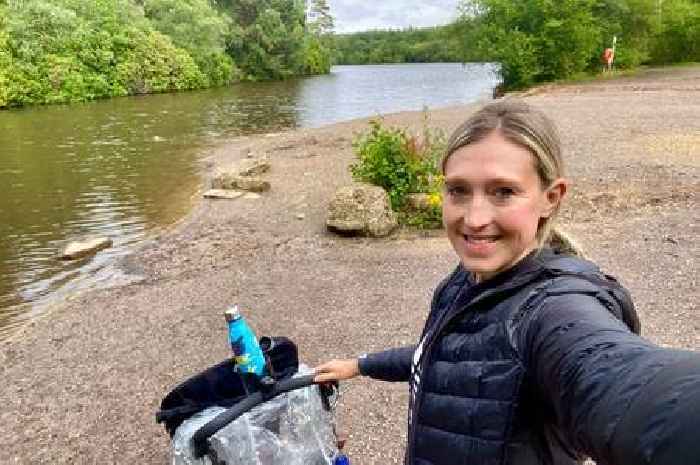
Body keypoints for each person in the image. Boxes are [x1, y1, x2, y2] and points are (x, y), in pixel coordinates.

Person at [314, 100, 700, 465]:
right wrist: (359, 365)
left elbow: (617, 378)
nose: (475, 218)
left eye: (504, 192)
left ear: (551, 197)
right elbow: (449, 353)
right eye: (458, 190)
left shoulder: (555, 307)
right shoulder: (469, 280)